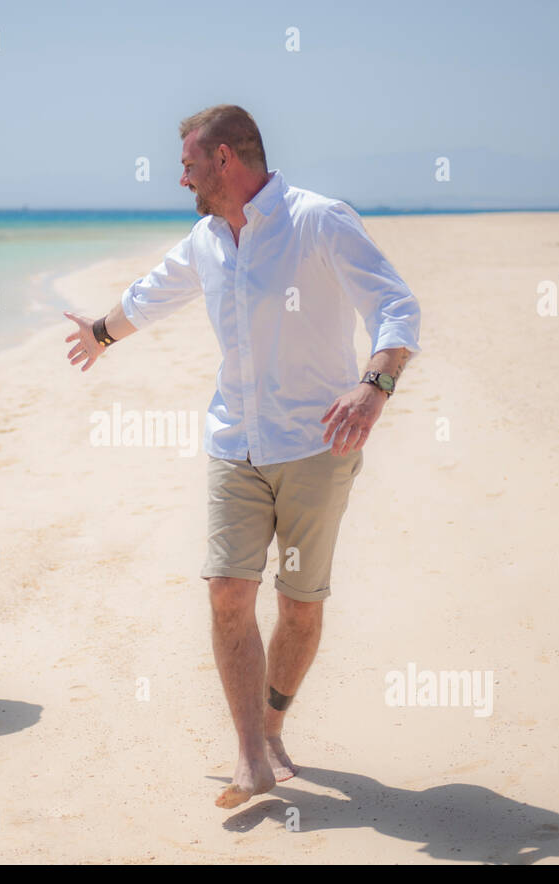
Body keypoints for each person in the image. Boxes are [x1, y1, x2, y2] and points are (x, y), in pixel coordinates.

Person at [64, 105, 422, 807]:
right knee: (229, 591)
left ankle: (273, 725)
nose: (182, 176)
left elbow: (397, 307)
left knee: (299, 605)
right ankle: (251, 756)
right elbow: (154, 292)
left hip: (319, 442)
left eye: (190, 162)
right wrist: (103, 332)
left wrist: (374, 387)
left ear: (226, 158)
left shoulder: (319, 220)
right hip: (235, 443)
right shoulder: (205, 239)